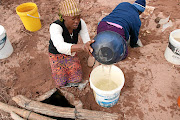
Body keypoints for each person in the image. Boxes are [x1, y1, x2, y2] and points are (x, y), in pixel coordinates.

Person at [48, 0, 94, 88]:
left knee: (77, 78)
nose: (77, 21)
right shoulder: (55, 27)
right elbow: (60, 47)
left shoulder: (81, 23)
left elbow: (86, 39)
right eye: (73, 18)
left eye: (78, 17)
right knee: (60, 82)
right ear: (64, 17)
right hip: (56, 55)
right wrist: (82, 47)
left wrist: (89, 46)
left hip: (71, 54)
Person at [88, 0, 146, 67]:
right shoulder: (137, 19)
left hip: (102, 24)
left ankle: (95, 53)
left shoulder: (123, 4)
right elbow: (134, 35)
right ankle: (105, 61)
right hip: (117, 30)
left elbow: (114, 13)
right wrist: (133, 44)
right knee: (123, 53)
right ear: (140, 12)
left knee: (101, 41)